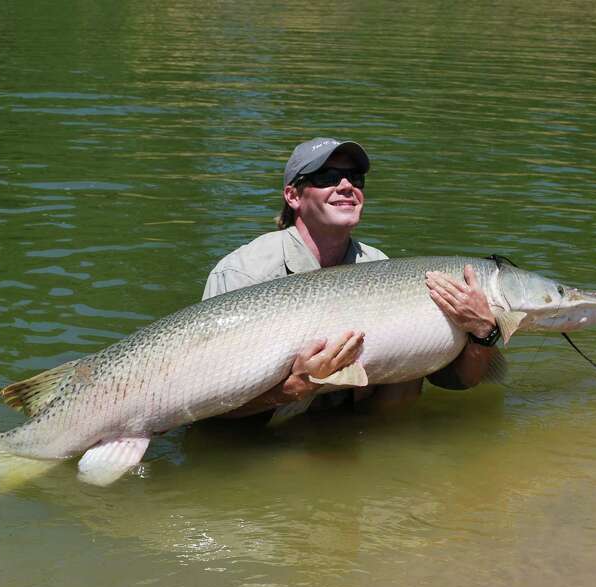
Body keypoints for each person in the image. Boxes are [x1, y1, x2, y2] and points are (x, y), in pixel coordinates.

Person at [203, 137, 499, 419]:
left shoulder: (378, 265)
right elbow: (203, 408)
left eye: (355, 178)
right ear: (293, 196)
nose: (346, 186)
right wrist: (295, 388)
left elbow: (457, 380)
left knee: (408, 374)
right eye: (326, 176)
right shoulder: (243, 273)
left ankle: (383, 456)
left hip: (355, 430)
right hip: (255, 438)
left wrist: (484, 331)